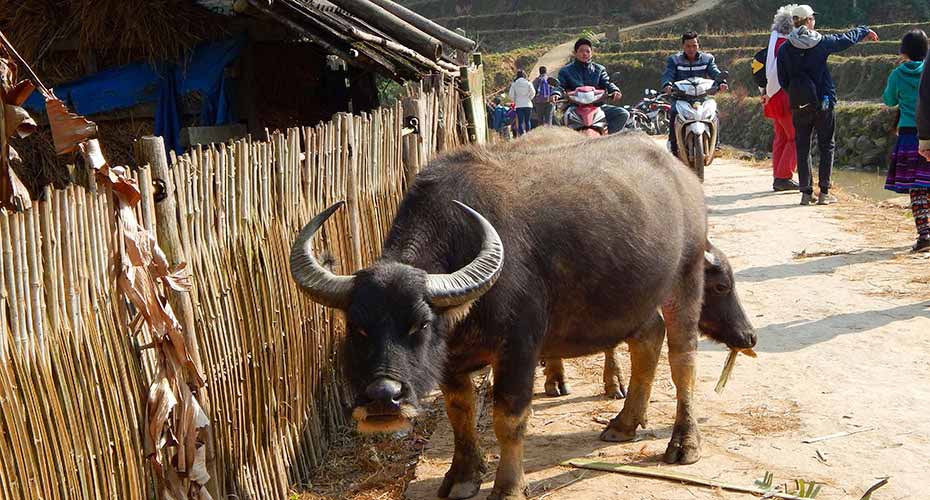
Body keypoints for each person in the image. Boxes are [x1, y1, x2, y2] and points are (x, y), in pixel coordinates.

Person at [777, 5, 879, 206]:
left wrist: (799, 96)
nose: (814, 22)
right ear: (807, 21)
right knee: (827, 146)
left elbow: (783, 80)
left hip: (800, 105)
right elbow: (845, 39)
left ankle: (806, 193)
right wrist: (864, 30)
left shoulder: (784, 49)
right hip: (824, 103)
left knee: (802, 147)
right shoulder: (821, 42)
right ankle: (824, 193)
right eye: (812, 19)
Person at [883, 30, 930, 252]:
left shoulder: (898, 73)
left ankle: (924, 235)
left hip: (910, 135)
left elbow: (889, 100)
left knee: (917, 189)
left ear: (904, 51)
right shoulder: (928, 71)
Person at [661, 31, 728, 156]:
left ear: (698, 45)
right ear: (683, 46)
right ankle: (673, 144)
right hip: (681, 97)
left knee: (715, 113)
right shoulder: (674, 60)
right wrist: (667, 84)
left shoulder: (707, 59)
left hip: (703, 97)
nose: (691, 49)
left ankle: (717, 145)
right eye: (688, 46)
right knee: (674, 112)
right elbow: (668, 74)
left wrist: (721, 82)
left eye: (694, 45)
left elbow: (715, 72)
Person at [550, 38, 628, 133]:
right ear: (575, 53)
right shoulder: (565, 71)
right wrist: (556, 93)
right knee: (558, 122)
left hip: (597, 106)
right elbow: (560, 85)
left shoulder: (599, 69)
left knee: (623, 114)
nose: (585, 54)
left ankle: (608, 139)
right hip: (574, 107)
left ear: (591, 53)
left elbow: (607, 83)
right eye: (581, 51)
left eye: (587, 51)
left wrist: (614, 90)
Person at [762, 5, 799, 192]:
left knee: (782, 137)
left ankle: (779, 175)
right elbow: (777, 73)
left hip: (774, 96)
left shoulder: (774, 41)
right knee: (795, 137)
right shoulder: (786, 44)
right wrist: (770, 93)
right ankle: (783, 177)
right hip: (782, 95)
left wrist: (768, 94)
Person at [508, 69, 535, 136]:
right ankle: (528, 134)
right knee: (527, 121)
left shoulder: (514, 84)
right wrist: (529, 98)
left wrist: (515, 100)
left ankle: (522, 135)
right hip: (528, 104)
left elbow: (511, 95)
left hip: (519, 105)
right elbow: (533, 92)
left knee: (520, 121)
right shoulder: (528, 83)